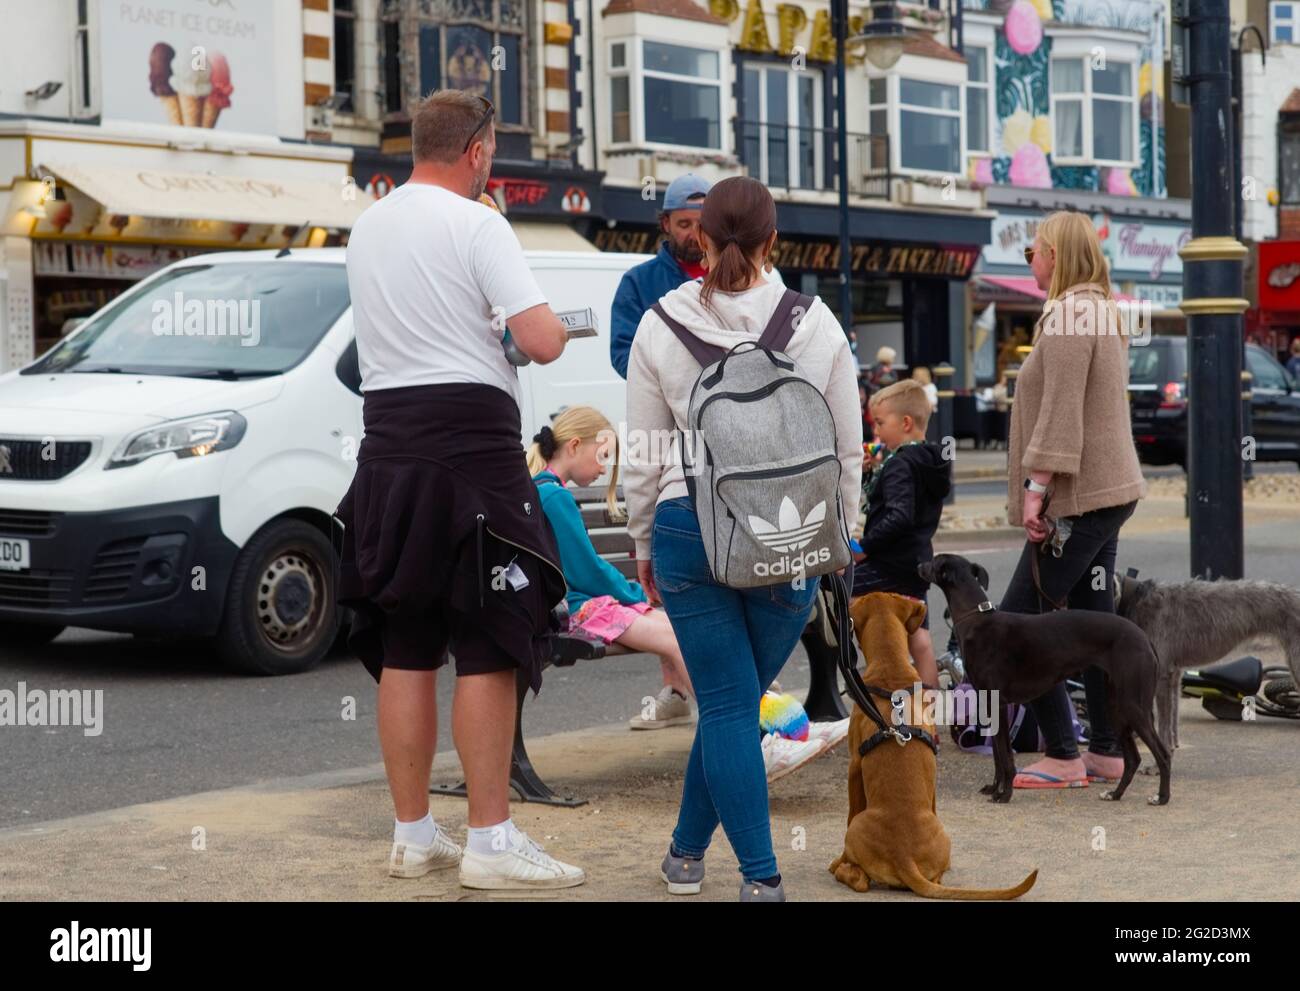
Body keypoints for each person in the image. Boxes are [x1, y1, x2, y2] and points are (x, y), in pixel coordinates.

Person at [334, 90, 585, 890]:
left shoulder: (368, 225)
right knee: (490, 635)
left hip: (388, 445)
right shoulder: (480, 222)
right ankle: (491, 842)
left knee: (407, 638)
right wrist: (521, 329)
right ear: (478, 150)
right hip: (472, 442)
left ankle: (413, 834)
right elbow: (541, 339)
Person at [625, 176, 863, 901]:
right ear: (773, 239)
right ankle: (738, 872)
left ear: (696, 235)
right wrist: (842, 535)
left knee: (727, 705)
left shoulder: (659, 324)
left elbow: (643, 451)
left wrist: (641, 540)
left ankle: (700, 858)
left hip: (687, 525)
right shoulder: (815, 321)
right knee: (736, 699)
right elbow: (847, 448)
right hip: (789, 534)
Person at [1003, 210, 1147, 790]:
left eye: (1031, 253)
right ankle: (1108, 751)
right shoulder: (1102, 310)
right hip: (1110, 492)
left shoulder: (1066, 315)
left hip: (1080, 497)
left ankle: (1063, 755)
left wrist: (1036, 491)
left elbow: (1061, 415)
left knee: (1016, 625)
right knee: (1093, 627)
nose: (1030, 262)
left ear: (1054, 255)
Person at [526, 406, 695, 729]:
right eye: (602, 456)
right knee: (680, 638)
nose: (604, 469)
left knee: (678, 629)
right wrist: (634, 594)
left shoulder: (542, 489)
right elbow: (587, 571)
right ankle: (737, 727)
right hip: (575, 610)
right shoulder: (553, 497)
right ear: (574, 446)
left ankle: (682, 700)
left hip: (569, 607)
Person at [851, 379, 951, 690]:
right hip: (919, 561)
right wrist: (873, 472)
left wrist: (864, 548)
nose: (875, 431)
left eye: (880, 423)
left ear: (905, 423)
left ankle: (880, 674)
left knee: (841, 596)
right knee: (918, 634)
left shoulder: (899, 465)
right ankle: (931, 712)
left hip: (888, 562)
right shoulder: (930, 460)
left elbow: (898, 515)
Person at [609, 173, 712, 378]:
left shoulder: (734, 277)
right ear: (666, 223)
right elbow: (623, 354)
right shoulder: (637, 282)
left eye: (702, 225)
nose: (694, 235)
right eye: (684, 225)